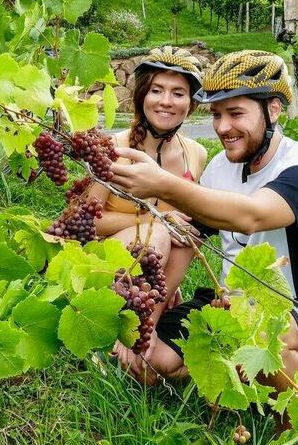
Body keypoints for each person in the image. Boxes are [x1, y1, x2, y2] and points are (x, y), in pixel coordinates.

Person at [108, 50, 298, 388]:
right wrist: (146, 325)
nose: (222, 127)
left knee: (257, 337)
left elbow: (252, 215)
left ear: (274, 109)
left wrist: (164, 185)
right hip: (227, 300)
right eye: (216, 114)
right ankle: (233, 365)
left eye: (235, 113)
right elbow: (187, 242)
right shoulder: (220, 167)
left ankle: (297, 414)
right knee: (150, 362)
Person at [86, 48, 208, 355]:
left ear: (190, 104)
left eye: (178, 93)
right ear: (142, 95)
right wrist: (155, 220)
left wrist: (167, 282)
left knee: (191, 234)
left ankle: (145, 328)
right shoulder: (113, 147)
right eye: (157, 90)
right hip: (104, 264)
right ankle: (127, 331)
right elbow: (88, 222)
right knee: (161, 231)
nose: (166, 101)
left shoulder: (196, 154)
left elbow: (185, 234)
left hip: (151, 271)